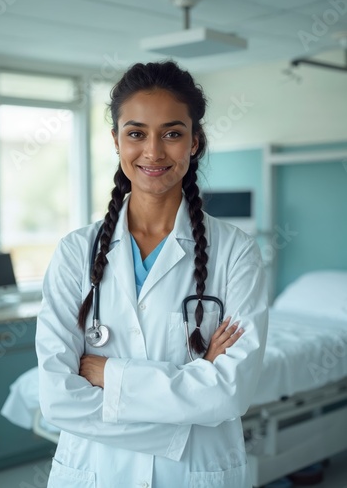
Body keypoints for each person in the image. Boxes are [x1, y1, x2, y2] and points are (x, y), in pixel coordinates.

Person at [36, 61, 268, 488]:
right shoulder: (75, 252)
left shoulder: (236, 252)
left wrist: (110, 375)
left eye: (173, 133)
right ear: (116, 140)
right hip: (97, 471)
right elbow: (57, 400)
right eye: (137, 133)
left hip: (193, 473)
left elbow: (230, 392)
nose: (154, 152)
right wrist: (183, 411)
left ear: (195, 142)